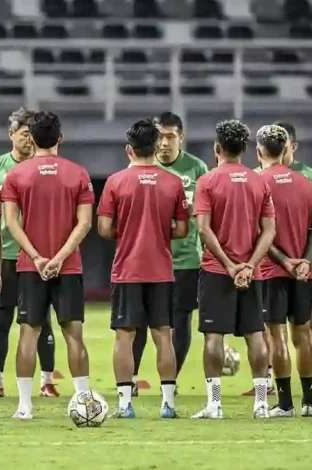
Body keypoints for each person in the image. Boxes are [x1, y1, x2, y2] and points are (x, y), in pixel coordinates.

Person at [1, 111, 93, 420]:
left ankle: (24, 406)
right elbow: (84, 224)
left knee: (28, 332)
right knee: (74, 334)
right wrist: (59, 258)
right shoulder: (78, 173)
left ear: (32, 138)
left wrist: (38, 257)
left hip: (30, 266)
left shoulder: (16, 175)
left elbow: (11, 222)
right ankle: (83, 402)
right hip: (68, 267)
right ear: (60, 138)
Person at [97, 119, 189, 419]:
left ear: (129, 149)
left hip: (128, 269)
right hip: (161, 270)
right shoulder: (173, 182)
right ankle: (168, 404)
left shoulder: (115, 182)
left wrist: (128, 232)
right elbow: (182, 230)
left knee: (124, 336)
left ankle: (125, 404)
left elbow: (104, 228)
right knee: (163, 335)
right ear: (155, 147)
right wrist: (159, 230)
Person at [192, 120, 275, 419]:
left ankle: (215, 404)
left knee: (214, 337)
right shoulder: (259, 181)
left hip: (217, 270)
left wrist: (229, 265)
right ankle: (262, 404)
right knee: (255, 334)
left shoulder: (208, 181)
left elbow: (203, 229)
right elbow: (269, 231)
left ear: (217, 148)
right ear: (245, 150)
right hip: (253, 273)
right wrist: (249, 265)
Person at [0, 107, 58, 399]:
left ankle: (47, 380)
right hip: (5, 254)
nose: (28, 140)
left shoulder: (45, 167)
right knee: (1, 319)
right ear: (11, 134)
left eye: (32, 134)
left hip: (39, 254)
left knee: (41, 319)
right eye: (24, 134)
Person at [130, 112, 208, 396]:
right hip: (147, 259)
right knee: (137, 321)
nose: (164, 143)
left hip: (185, 259)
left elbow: (204, 217)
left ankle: (170, 381)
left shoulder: (196, 169)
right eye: (160, 136)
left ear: (181, 138)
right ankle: (133, 378)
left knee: (181, 319)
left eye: (170, 137)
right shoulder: (140, 167)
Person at [245, 121, 312, 397]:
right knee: (304, 334)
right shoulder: (306, 183)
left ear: (259, 150)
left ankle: (285, 402)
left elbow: (260, 233)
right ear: (286, 148)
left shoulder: (257, 182)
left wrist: (284, 261)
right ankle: (309, 400)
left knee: (277, 337)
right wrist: (305, 261)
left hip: (271, 271)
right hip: (304, 271)